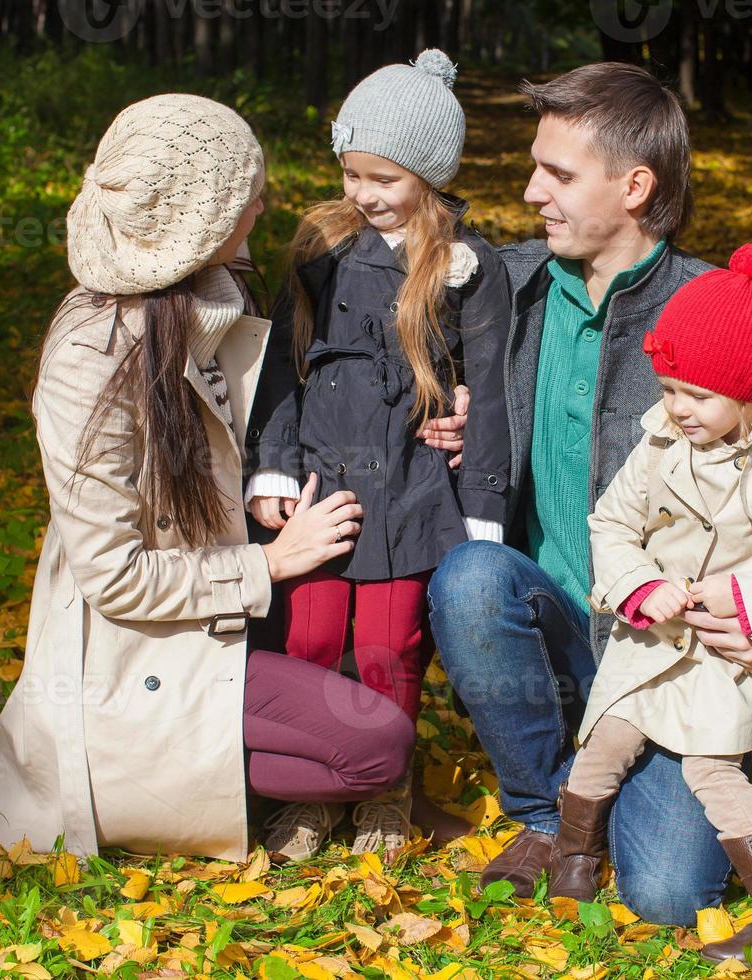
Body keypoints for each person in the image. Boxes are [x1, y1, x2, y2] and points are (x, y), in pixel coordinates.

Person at [425, 63, 752, 926]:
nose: (530, 192)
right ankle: (542, 814)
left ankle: (603, 791)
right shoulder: (500, 288)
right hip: (549, 625)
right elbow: (360, 323)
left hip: (674, 657)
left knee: (671, 897)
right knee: (471, 576)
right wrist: (433, 413)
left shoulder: (728, 315)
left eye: (557, 174)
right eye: (536, 168)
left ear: (635, 186)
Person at [0, 94, 415, 863]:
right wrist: (271, 563)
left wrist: (444, 403)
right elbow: (115, 578)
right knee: (375, 747)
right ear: (196, 215)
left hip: (222, 622)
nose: (261, 204)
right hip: (145, 653)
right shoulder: (93, 357)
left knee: (378, 731)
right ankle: (177, 785)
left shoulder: (208, 304)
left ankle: (228, 778)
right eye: (244, 192)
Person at [546, 242, 752, 965]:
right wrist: (639, 586)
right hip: (652, 643)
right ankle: (572, 861)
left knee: (711, 773)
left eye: (698, 395)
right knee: (604, 741)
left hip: (728, 659)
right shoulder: (661, 442)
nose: (678, 409)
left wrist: (751, 600)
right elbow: (611, 523)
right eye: (668, 388)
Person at [245, 50, 512, 858]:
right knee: (312, 638)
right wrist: (273, 465)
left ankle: (388, 790)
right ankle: (315, 790)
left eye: (383, 179)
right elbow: (284, 370)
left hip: (413, 493)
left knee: (388, 648)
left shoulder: (469, 269)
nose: (362, 194)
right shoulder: (320, 253)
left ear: (428, 177)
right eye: (351, 172)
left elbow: (490, 397)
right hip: (324, 489)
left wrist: (484, 519)